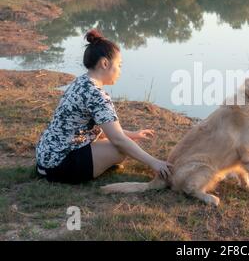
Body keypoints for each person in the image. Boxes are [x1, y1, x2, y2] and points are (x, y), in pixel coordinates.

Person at [35, 29, 172, 184]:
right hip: (61, 166)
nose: (120, 71)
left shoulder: (80, 82)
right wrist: (155, 163)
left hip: (45, 159)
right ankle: (91, 167)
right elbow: (117, 139)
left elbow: (100, 129)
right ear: (105, 63)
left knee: (125, 143)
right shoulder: (97, 95)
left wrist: (132, 134)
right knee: (119, 149)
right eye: (119, 65)